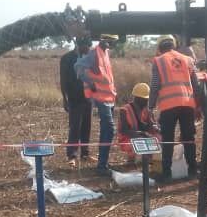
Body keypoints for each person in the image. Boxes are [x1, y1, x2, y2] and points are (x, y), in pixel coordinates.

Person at [149, 35, 203, 181]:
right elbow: (197, 86)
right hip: (187, 104)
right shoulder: (188, 60)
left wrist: (150, 107)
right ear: (173, 45)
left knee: (168, 139)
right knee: (188, 138)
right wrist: (198, 106)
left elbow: (154, 86)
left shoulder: (159, 61)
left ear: (160, 47)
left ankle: (167, 174)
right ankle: (192, 170)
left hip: (168, 106)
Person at [76, 34, 117, 174]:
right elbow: (78, 66)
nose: (113, 44)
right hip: (100, 97)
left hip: (109, 98)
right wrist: (90, 82)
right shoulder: (94, 53)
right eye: (112, 41)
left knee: (106, 130)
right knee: (110, 129)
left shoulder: (105, 53)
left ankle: (102, 164)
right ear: (104, 40)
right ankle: (102, 165)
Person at [60, 34, 92, 169]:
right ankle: (71, 156)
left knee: (86, 126)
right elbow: (63, 80)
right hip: (74, 98)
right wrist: (64, 98)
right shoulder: (66, 58)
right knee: (75, 128)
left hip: (87, 97)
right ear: (79, 45)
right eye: (86, 47)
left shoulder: (88, 57)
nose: (88, 49)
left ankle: (85, 154)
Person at [118, 82, 160, 160]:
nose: (146, 101)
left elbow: (151, 127)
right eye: (144, 99)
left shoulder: (147, 110)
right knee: (137, 144)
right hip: (128, 139)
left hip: (144, 137)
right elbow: (124, 131)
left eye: (147, 99)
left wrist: (156, 129)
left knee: (160, 138)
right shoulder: (125, 110)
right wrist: (141, 134)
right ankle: (133, 159)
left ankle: (151, 159)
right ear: (136, 98)